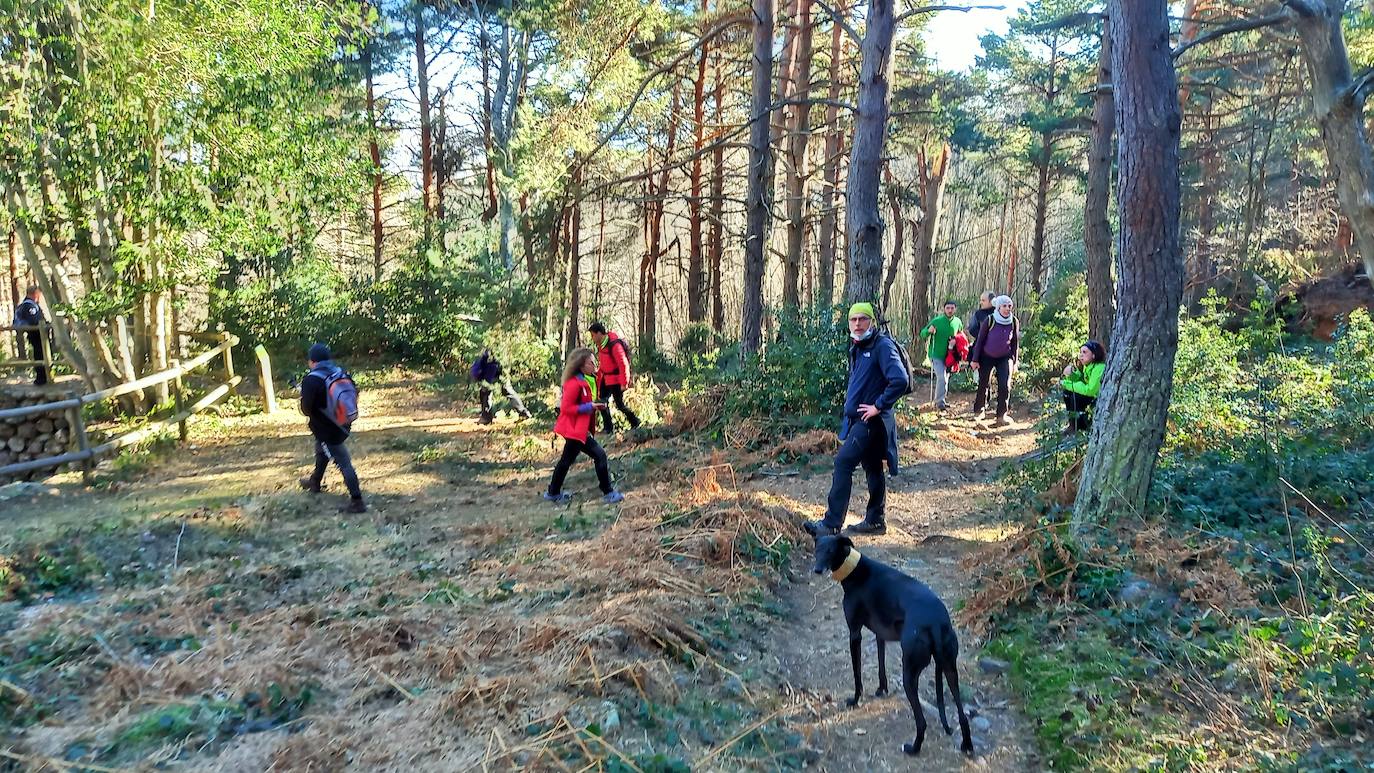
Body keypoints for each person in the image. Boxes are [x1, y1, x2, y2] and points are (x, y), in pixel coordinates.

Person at [805, 303, 910, 538]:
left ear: (871, 321)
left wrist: (878, 406)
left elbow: (900, 380)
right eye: (853, 320)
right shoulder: (858, 346)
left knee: (843, 463)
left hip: (871, 422)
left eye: (863, 319)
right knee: (872, 467)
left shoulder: (881, 346)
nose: (858, 324)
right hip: (858, 420)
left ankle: (831, 524)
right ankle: (875, 521)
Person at [545, 347, 625, 504]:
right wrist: (590, 407)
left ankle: (553, 492)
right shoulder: (575, 384)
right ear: (581, 365)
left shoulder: (583, 381)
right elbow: (566, 408)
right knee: (599, 455)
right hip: (575, 430)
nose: (594, 365)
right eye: (591, 363)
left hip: (578, 430)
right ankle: (608, 492)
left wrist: (594, 406)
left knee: (566, 460)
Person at [298, 343, 367, 513]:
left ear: (312, 361)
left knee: (342, 462)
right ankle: (315, 481)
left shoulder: (311, 379)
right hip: (342, 423)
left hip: (326, 428)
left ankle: (357, 501)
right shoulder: (340, 373)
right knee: (322, 450)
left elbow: (306, 409)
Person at [969, 295, 1020, 427]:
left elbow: (1015, 342)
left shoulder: (1014, 321)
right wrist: (975, 359)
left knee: (1005, 385)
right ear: (998, 307)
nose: (1007, 309)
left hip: (1005, 357)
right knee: (983, 383)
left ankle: (1001, 415)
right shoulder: (990, 320)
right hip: (987, 356)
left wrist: (1015, 361)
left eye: (1009, 306)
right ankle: (979, 410)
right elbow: (980, 340)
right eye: (1004, 306)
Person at [587, 322, 641, 434]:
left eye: (593, 335)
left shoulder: (614, 345)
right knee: (602, 402)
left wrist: (624, 383)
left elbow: (623, 363)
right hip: (605, 379)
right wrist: (598, 372)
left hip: (616, 380)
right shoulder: (601, 346)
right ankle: (608, 428)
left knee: (619, 405)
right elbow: (604, 362)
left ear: (599, 333)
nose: (592, 338)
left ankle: (635, 422)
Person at [918, 301, 963, 411]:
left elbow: (961, 336)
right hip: (936, 355)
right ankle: (939, 403)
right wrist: (929, 331)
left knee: (946, 378)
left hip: (950, 356)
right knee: (941, 377)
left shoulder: (957, 322)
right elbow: (922, 334)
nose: (950, 310)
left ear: (955, 309)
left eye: (952, 308)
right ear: (944, 309)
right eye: (948, 308)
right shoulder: (937, 321)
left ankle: (942, 400)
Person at [470, 347, 531, 424]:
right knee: (506, 389)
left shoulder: (486, 350)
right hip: (501, 363)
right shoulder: (496, 345)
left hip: (492, 367)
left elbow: (485, 360)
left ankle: (486, 418)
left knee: (485, 391)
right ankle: (524, 413)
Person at [1061, 340, 1106, 434]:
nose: (1081, 355)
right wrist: (1071, 375)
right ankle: (1073, 425)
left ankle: (1081, 426)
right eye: (1080, 352)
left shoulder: (1099, 368)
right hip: (1091, 397)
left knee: (1075, 396)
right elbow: (1081, 381)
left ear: (1094, 355)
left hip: (1098, 399)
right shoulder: (1088, 366)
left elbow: (1090, 390)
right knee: (1068, 393)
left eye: (1084, 352)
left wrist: (1067, 384)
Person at [12, 286, 48, 385]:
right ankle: (41, 379)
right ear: (34, 294)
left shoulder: (30, 305)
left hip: (37, 334)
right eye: (38, 294)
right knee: (40, 355)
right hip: (36, 334)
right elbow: (34, 320)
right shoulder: (29, 306)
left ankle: (44, 377)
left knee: (41, 354)